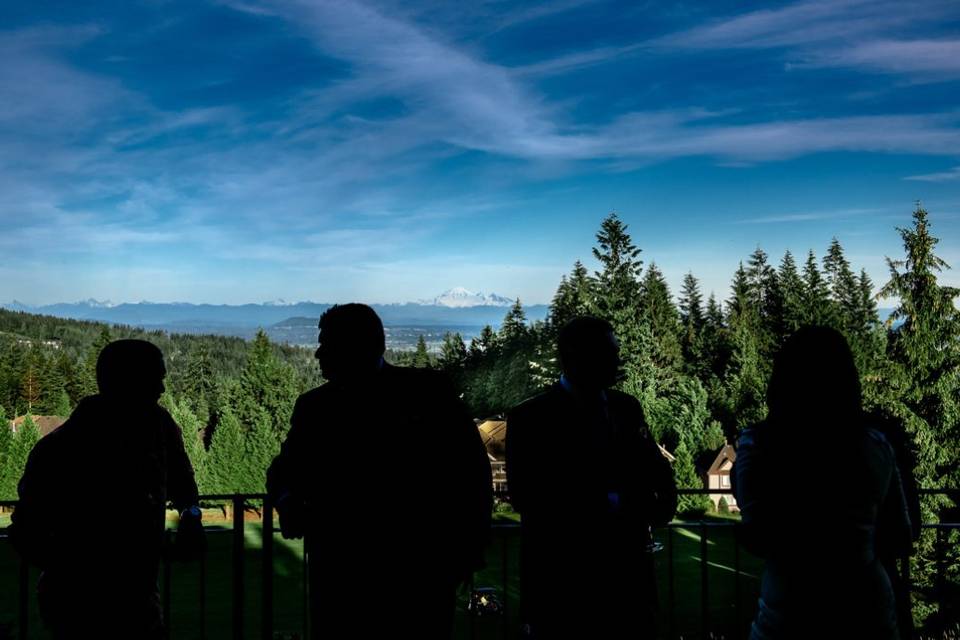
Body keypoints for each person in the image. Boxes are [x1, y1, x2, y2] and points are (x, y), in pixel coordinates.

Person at [267, 303, 492, 639]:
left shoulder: (424, 396)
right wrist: (285, 499)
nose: (317, 354)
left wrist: (464, 553)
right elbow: (283, 471)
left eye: (326, 344)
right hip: (368, 577)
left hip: (400, 575)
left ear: (356, 346)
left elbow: (470, 476)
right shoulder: (319, 407)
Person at [9, 339, 204, 640]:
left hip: (137, 596)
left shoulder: (158, 425)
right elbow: (25, 531)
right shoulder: (63, 449)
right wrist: (83, 570)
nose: (162, 389)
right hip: (79, 605)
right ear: (127, 381)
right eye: (156, 379)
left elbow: (182, 479)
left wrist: (191, 514)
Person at [733, 326, 914, 639]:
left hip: (789, 612)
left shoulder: (759, 445)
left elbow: (757, 536)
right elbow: (901, 535)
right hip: (865, 612)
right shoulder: (875, 445)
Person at [506, 316, 677, 639]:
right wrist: (622, 504)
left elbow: (656, 470)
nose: (617, 359)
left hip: (630, 589)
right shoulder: (531, 420)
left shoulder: (626, 408)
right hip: (564, 591)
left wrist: (659, 505)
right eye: (609, 352)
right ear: (577, 356)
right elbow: (528, 497)